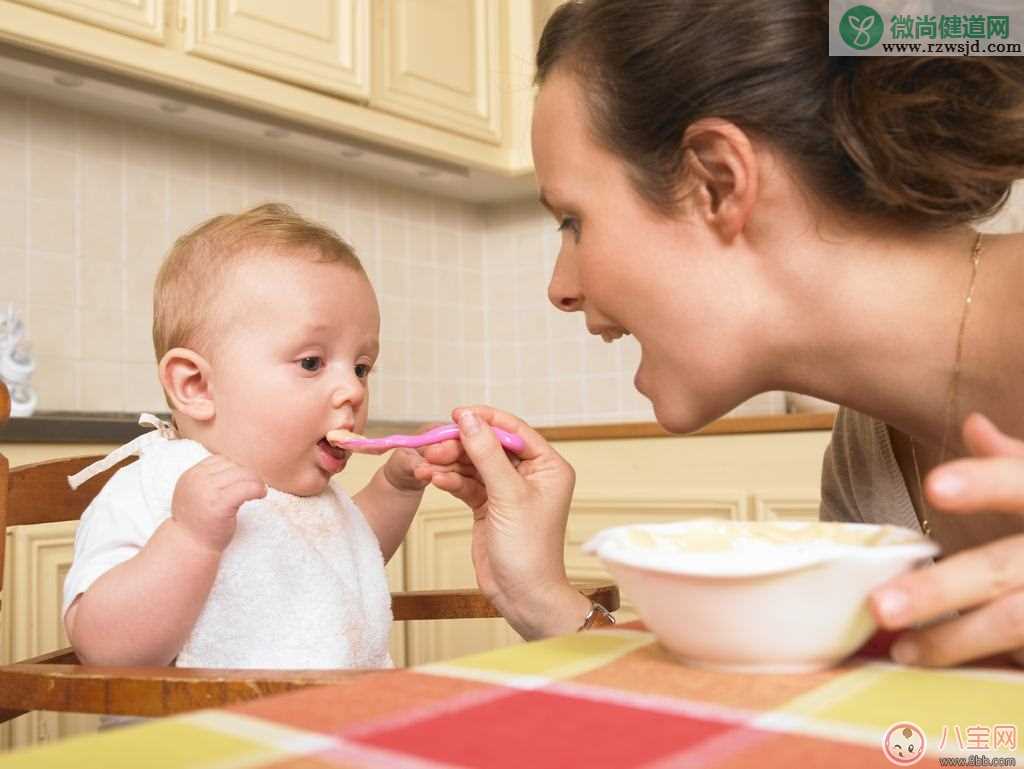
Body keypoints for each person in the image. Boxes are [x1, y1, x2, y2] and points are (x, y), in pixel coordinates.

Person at [418, 0, 1024, 667]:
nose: (559, 288)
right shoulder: (869, 450)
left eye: (574, 221)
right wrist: (536, 595)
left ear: (716, 180)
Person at [63, 203, 443, 670]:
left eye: (362, 367)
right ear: (196, 386)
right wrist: (191, 538)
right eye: (311, 362)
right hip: (204, 738)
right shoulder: (153, 487)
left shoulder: (304, 491)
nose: (353, 390)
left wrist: (397, 487)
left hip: (335, 726)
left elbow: (347, 561)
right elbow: (104, 651)